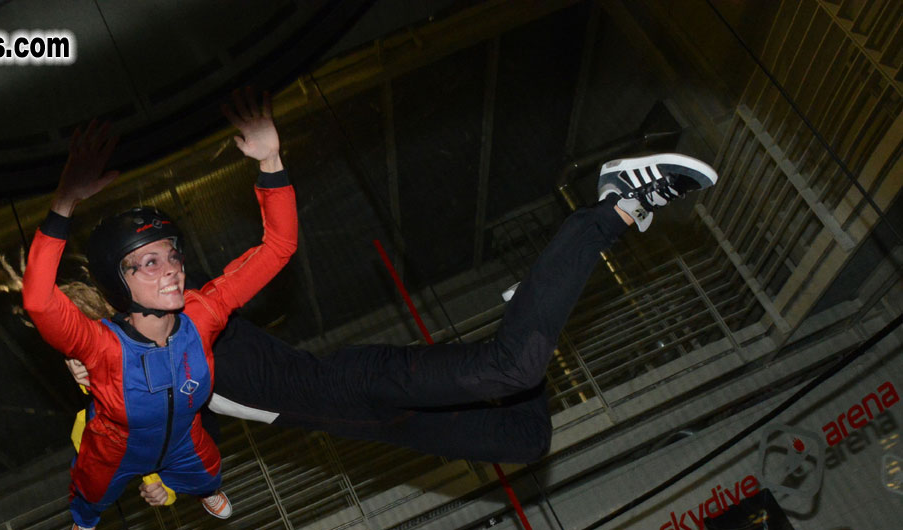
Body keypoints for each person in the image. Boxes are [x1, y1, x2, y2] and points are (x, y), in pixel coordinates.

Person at [67, 151, 719, 491]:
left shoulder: (191, 317)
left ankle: (611, 207)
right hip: (367, 426)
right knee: (524, 438)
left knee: (513, 364)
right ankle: (535, 298)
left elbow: (275, 246)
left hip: (356, 383)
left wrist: (270, 163)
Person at [22, 91, 296, 530]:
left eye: (172, 255)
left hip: (184, 440)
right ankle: (85, 521)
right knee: (91, 492)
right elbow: (39, 300)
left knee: (208, 470)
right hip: (114, 451)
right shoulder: (99, 346)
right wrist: (65, 201)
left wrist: (271, 160)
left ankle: (204, 490)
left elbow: (278, 248)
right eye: (148, 262)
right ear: (119, 281)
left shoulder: (203, 312)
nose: (171, 267)